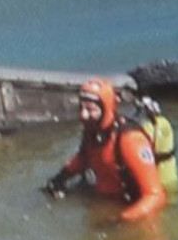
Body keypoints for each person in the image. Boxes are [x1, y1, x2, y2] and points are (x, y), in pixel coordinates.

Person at [42, 77, 167, 222]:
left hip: (129, 207)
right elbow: (84, 158)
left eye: (90, 109)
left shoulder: (131, 140)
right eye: (81, 108)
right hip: (103, 198)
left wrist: (121, 220)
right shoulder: (92, 130)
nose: (83, 115)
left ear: (106, 108)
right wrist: (59, 178)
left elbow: (156, 197)